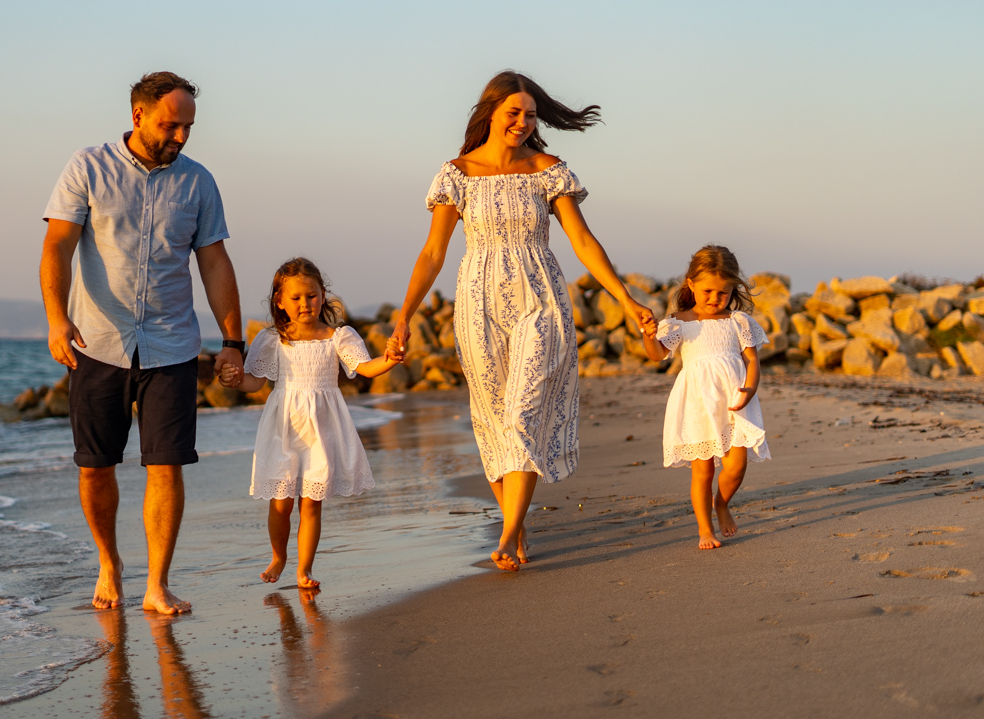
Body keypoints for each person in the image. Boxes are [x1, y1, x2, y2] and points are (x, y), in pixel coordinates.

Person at [387, 71, 656, 572]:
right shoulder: (457, 174)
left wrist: (624, 298)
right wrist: (404, 317)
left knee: (523, 412)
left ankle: (509, 532)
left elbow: (582, 241)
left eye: (530, 115)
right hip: (478, 304)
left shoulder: (547, 170)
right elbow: (432, 253)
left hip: (541, 299)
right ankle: (516, 519)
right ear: (490, 112)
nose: (523, 122)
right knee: (493, 421)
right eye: (514, 113)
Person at [40, 71, 245, 613]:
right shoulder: (88, 167)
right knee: (95, 466)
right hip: (97, 341)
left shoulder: (198, 183)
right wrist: (57, 320)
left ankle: (157, 584)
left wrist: (233, 340)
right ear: (138, 115)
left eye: (188, 127)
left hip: (171, 344)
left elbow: (214, 262)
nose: (181, 136)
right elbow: (57, 245)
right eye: (171, 125)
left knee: (166, 464)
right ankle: (108, 561)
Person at [219, 258, 400, 588]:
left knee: (311, 502)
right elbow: (255, 382)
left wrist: (388, 360)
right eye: (296, 297)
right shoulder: (272, 339)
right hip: (284, 428)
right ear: (280, 301)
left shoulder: (338, 337)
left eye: (312, 296)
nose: (305, 303)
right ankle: (278, 556)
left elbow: (365, 367)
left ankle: (304, 569)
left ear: (323, 296)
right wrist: (234, 379)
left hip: (322, 428)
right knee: (281, 501)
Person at [640, 245, 771, 549]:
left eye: (722, 293)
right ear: (691, 284)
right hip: (697, 404)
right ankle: (704, 529)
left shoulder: (738, 322)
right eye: (707, 291)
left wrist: (750, 389)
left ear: (733, 289)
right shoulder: (679, 322)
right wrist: (648, 335)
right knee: (703, 470)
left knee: (736, 466)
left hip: (734, 402)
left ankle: (721, 503)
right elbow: (657, 354)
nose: (715, 298)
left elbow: (752, 361)